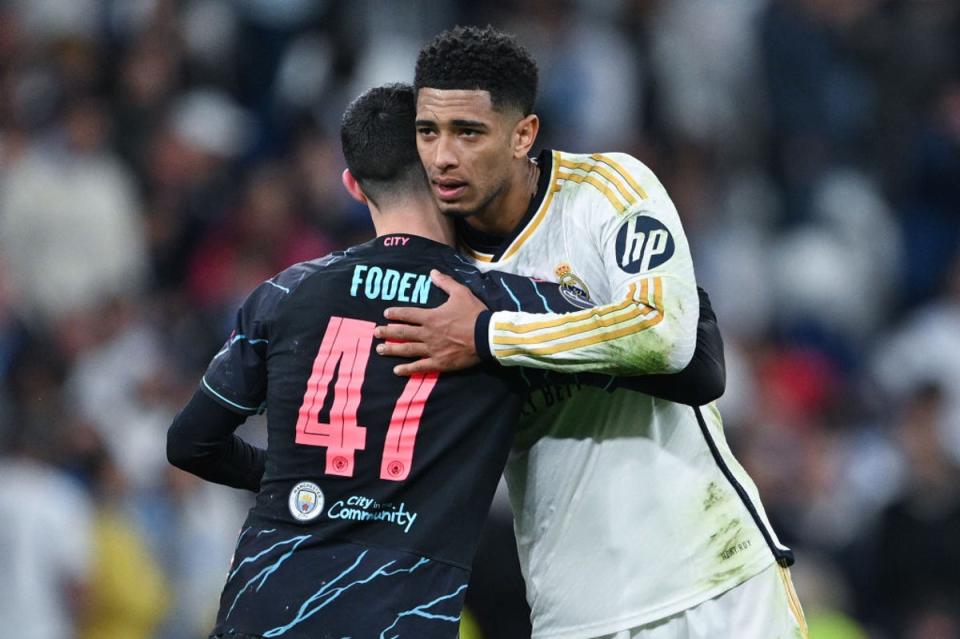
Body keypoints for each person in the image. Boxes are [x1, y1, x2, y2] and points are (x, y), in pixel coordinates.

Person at [166, 84, 725, 639]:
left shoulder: (285, 293)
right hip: (399, 617)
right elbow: (696, 368)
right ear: (447, 174)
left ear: (353, 187)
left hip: (262, 606)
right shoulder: (497, 304)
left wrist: (292, 482)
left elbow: (191, 443)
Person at [376, 26, 807, 639]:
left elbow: (667, 336)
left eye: (468, 132)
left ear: (523, 134)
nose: (443, 156)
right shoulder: (431, 268)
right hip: (575, 614)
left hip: (714, 580)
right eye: (428, 132)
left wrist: (488, 336)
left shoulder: (607, 192)